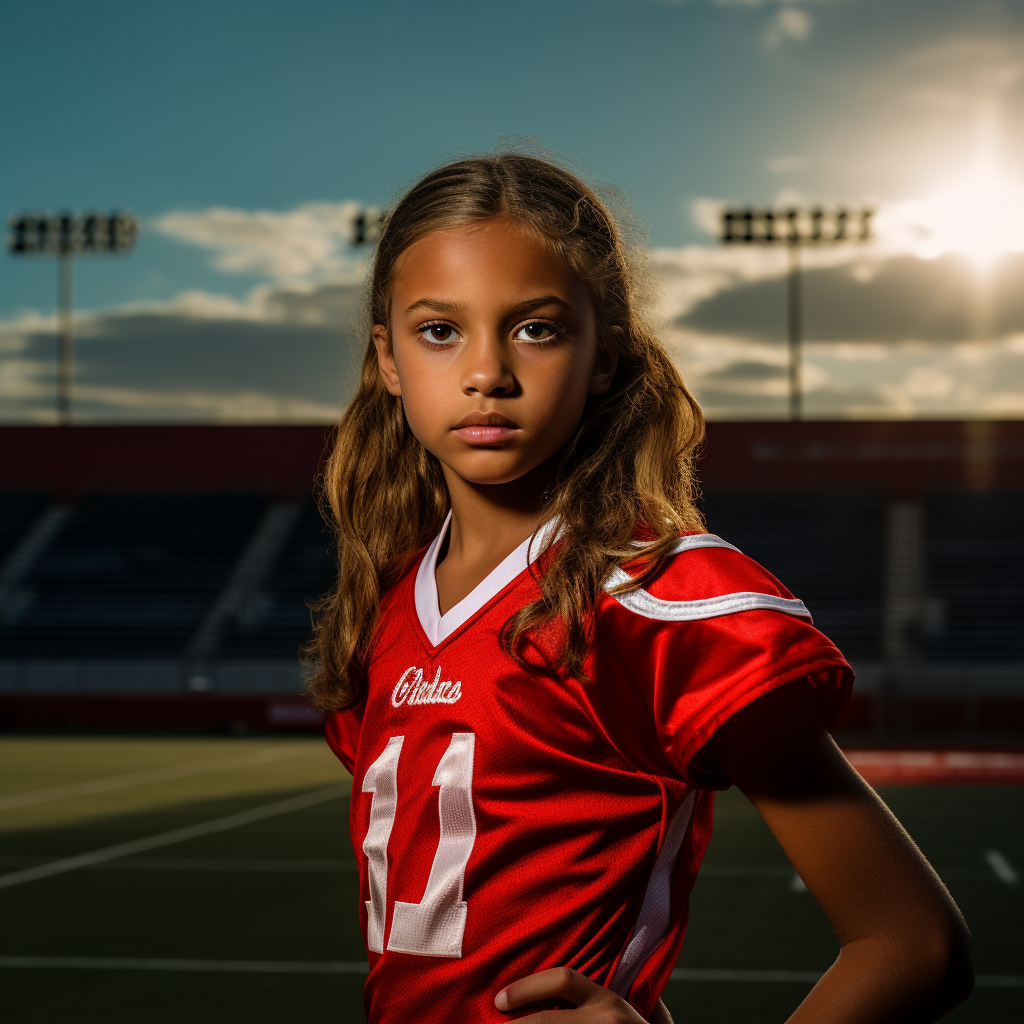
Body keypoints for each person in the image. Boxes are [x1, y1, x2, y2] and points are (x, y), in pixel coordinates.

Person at [309, 153, 973, 1023]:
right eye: (440, 331)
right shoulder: (390, 603)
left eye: (535, 329)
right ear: (387, 358)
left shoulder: (655, 599)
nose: (486, 373)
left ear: (604, 358)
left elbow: (912, 942)